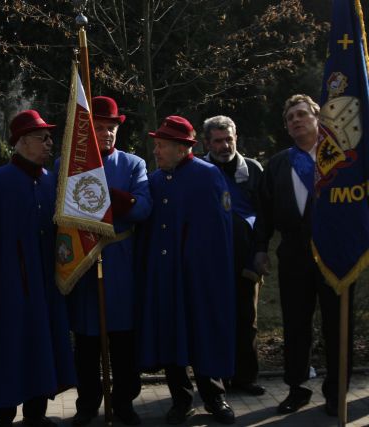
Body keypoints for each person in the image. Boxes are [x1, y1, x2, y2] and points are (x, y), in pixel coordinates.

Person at [0, 110, 76, 427]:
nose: (49, 143)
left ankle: (35, 414)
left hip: (44, 284)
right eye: (42, 138)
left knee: (40, 346)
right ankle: (3, 417)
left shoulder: (49, 183)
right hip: (9, 286)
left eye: (49, 137)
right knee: (9, 347)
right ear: (22, 142)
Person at [253, 94, 354, 416]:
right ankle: (297, 389)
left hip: (336, 255)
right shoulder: (280, 163)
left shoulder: (340, 157)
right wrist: (259, 249)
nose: (295, 120)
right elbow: (264, 212)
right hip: (294, 256)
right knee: (296, 327)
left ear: (316, 118)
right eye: (290, 118)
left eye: (301, 114)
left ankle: (337, 393)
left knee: (338, 325)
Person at [137, 115, 236, 425]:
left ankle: (214, 397)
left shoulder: (207, 176)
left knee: (202, 330)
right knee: (171, 335)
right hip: (164, 275)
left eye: (162, 145)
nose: (157, 151)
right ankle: (181, 400)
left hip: (199, 275)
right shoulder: (153, 180)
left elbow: (220, 229)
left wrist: (207, 269)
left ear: (182, 148)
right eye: (156, 145)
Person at [62, 96, 152, 426]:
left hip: (120, 261)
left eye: (112, 128)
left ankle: (125, 402)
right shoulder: (68, 165)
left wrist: (105, 195)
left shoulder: (133, 165)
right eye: (99, 128)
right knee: (86, 342)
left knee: (123, 341)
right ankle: (87, 403)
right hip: (84, 262)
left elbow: (143, 208)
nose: (107, 134)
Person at [202, 115, 266, 396]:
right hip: (210, 262)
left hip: (246, 259)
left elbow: (264, 215)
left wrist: (260, 251)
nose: (225, 145)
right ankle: (218, 379)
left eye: (229, 139)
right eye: (218, 140)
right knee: (215, 319)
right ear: (207, 143)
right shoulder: (199, 170)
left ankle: (246, 378)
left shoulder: (253, 170)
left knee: (246, 319)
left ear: (236, 138)